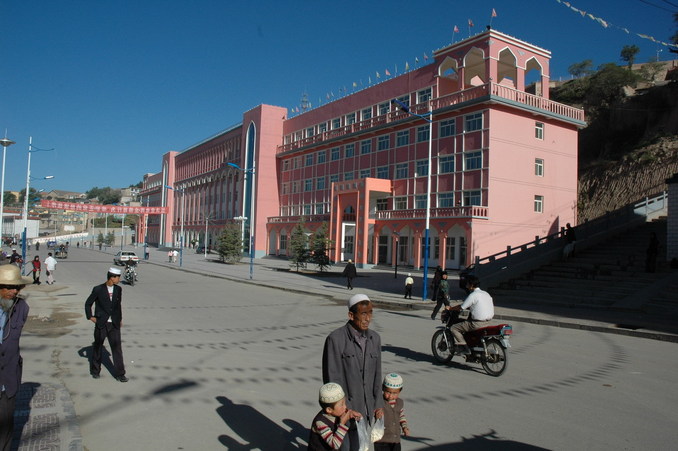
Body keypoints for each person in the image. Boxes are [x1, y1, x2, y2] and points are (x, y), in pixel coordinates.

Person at [323, 293, 383, 451]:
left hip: (366, 410)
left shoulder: (374, 339)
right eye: (363, 313)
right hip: (345, 412)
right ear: (351, 315)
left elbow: (377, 375)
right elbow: (332, 380)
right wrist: (346, 409)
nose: (368, 318)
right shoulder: (335, 339)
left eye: (370, 313)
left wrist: (378, 405)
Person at [0, 265, 32, 451]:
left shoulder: (22, 308)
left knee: (6, 428)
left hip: (9, 378)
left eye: (17, 288)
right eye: (8, 287)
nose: (13, 291)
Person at [85, 267, 128, 382]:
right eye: (118, 277)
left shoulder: (118, 289)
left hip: (113, 324)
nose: (119, 279)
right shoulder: (98, 289)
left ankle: (120, 374)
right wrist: (90, 317)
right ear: (112, 277)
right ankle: (95, 370)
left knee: (117, 349)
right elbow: (88, 303)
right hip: (101, 323)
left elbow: (118, 306)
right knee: (98, 347)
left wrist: (119, 319)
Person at [447, 275, 494, 355]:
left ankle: (464, 347)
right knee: (465, 323)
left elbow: (461, 307)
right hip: (488, 322)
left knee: (454, 328)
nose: (466, 286)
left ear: (471, 285)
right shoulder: (485, 293)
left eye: (467, 284)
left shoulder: (473, 295)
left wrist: (450, 308)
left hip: (476, 324)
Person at [308, 382, 362, 450]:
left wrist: (350, 413)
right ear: (329, 410)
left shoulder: (336, 412)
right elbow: (335, 444)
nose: (345, 407)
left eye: (344, 403)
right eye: (342, 404)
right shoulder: (320, 423)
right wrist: (342, 424)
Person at [374, 373, 410, 451]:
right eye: (388, 392)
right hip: (381, 440)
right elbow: (372, 411)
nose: (390, 396)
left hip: (395, 440)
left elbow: (401, 416)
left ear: (400, 391)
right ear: (383, 388)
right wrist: (376, 414)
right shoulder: (379, 402)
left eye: (394, 393)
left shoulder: (400, 403)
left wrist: (404, 427)